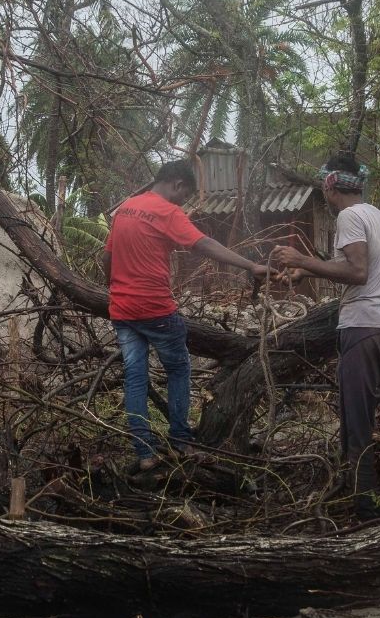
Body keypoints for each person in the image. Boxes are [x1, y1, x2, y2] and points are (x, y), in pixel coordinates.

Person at [272, 154, 380, 517]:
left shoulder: (347, 216)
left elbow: (357, 272)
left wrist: (302, 260)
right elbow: (366, 271)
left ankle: (367, 510)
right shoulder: (377, 216)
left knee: (357, 427)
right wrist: (308, 273)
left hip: (365, 328)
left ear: (329, 186)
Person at [101, 159, 272, 471]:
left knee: (135, 377)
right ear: (177, 184)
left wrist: (113, 289)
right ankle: (181, 440)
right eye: (185, 196)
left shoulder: (125, 208)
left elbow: (107, 257)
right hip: (155, 309)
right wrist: (250, 265)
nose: (184, 203)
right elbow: (204, 244)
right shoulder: (167, 211)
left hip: (122, 310)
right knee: (179, 369)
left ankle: (145, 453)